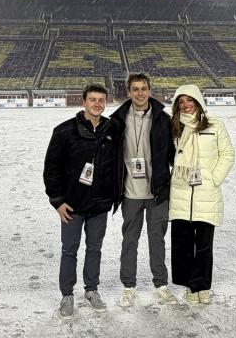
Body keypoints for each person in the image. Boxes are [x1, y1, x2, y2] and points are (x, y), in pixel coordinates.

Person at [43, 83, 119, 320]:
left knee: (95, 249)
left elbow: (118, 165)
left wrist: (112, 195)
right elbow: (51, 169)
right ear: (83, 101)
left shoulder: (112, 129)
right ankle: (67, 294)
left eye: (101, 100)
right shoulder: (64, 131)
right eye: (93, 99)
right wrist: (57, 201)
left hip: (99, 205)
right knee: (70, 250)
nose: (97, 104)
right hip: (72, 205)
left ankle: (91, 290)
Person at [110, 73, 177, 307]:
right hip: (130, 193)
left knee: (157, 240)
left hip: (157, 192)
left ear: (150, 90)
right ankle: (128, 286)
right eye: (135, 89)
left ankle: (161, 285)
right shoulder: (116, 120)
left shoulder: (163, 119)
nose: (140, 93)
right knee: (129, 240)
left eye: (144, 88)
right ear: (128, 92)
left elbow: (173, 155)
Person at [169, 84, 235, 305]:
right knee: (183, 245)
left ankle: (202, 286)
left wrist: (214, 178)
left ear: (198, 102)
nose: (186, 105)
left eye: (190, 100)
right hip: (181, 193)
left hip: (206, 194)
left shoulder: (215, 125)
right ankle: (189, 285)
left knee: (204, 246)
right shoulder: (175, 127)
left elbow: (227, 154)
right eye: (181, 101)